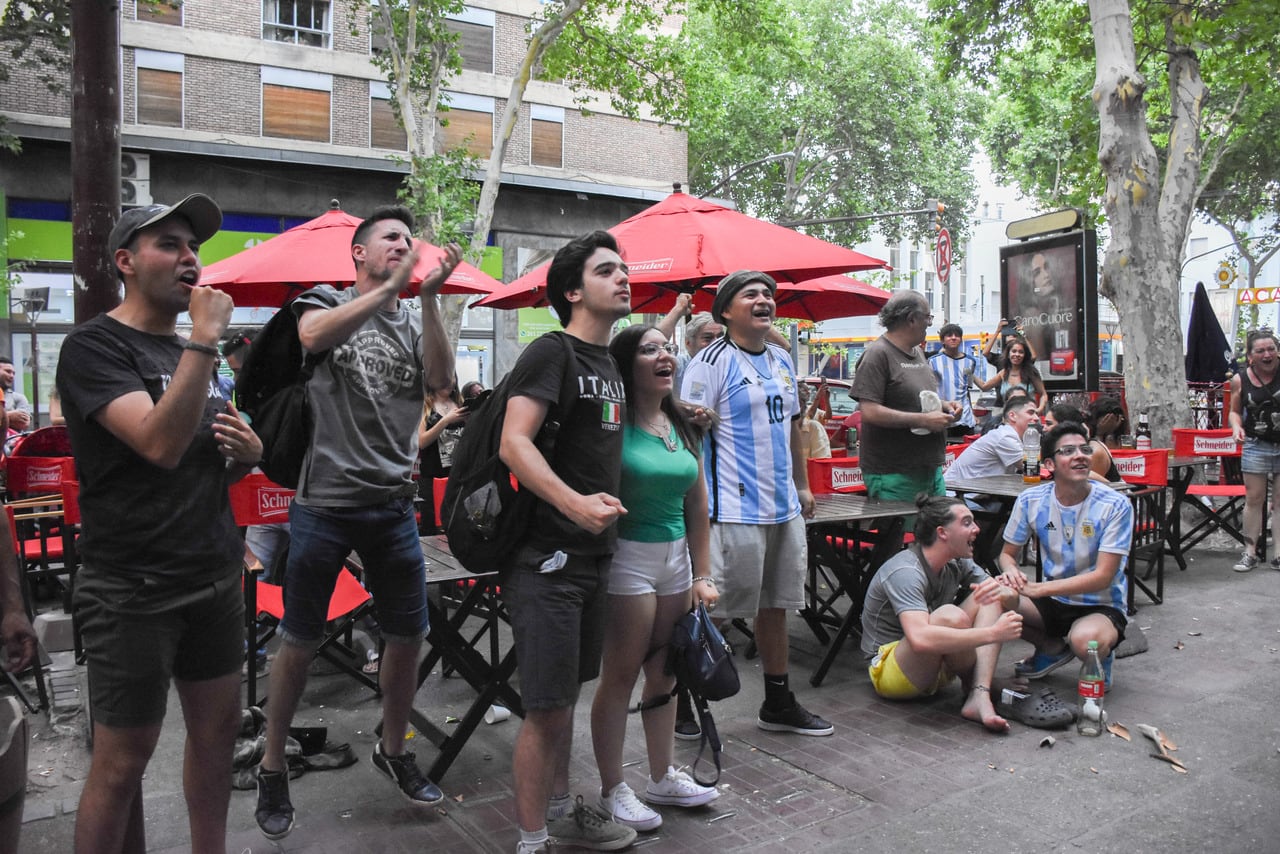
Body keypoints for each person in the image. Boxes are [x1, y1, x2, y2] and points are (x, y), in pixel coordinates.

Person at [56, 194, 264, 854]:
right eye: (169, 244)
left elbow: (206, 464)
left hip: (211, 575)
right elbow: (157, 445)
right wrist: (204, 340)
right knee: (121, 763)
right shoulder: (93, 348)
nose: (189, 258)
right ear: (126, 261)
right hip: (133, 589)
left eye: (193, 247)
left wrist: (248, 458)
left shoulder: (196, 358)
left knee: (217, 740)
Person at [253, 206, 462, 840]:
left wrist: (425, 301)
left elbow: (443, 385)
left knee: (408, 633)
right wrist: (386, 294)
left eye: (409, 239)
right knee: (299, 637)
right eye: (390, 239)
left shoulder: (408, 318)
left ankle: (393, 747)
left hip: (394, 506)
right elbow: (313, 338)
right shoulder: (322, 300)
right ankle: (270, 763)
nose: (403, 244)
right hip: (325, 506)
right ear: (359, 255)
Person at [499, 231, 635, 854]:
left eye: (624, 269)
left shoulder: (609, 364)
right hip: (545, 559)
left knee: (564, 700)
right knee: (547, 707)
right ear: (573, 290)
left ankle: (559, 811)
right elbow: (514, 442)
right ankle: (531, 841)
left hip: (593, 560)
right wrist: (575, 505)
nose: (623, 277)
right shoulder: (551, 352)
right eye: (608, 270)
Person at [681, 270, 830, 738]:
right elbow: (688, 433)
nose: (765, 300)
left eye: (769, 294)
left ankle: (778, 701)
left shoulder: (784, 360)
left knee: (776, 605)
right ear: (726, 311)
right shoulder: (708, 361)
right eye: (752, 295)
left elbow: (791, 427)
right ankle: (683, 697)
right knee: (712, 608)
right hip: (730, 507)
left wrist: (802, 485)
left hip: (783, 506)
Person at [589, 324, 720, 833]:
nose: (665, 355)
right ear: (627, 365)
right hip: (627, 559)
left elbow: (697, 502)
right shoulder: (610, 425)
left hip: (676, 562)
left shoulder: (681, 424)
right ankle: (611, 788)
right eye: (650, 350)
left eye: (667, 349)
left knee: (665, 673)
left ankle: (662, 775)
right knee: (620, 674)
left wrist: (702, 574)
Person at [861, 496, 1022, 732]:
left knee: (990, 596)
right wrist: (992, 633)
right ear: (942, 532)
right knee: (950, 616)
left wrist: (1006, 592)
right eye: (967, 523)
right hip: (892, 672)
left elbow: (1011, 599)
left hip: (936, 664)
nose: (977, 529)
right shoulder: (906, 570)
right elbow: (920, 638)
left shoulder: (957, 562)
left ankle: (978, 693)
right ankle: (975, 682)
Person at [997, 422, 1133, 691]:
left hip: (1101, 605)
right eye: (1068, 451)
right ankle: (1050, 647)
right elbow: (1006, 555)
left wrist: (1039, 588)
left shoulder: (1115, 504)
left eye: (1084, 449)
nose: (1080, 455)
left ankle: (1099, 655)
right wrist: (1011, 572)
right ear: (1049, 463)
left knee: (1086, 643)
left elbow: (1103, 577)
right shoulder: (1030, 500)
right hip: (1052, 602)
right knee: (994, 595)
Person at [851, 290, 957, 501]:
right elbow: (869, 411)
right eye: (927, 317)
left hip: (929, 468)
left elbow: (915, 397)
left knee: (936, 533)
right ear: (911, 319)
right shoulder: (877, 354)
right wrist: (923, 420)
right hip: (894, 472)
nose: (929, 323)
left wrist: (945, 406)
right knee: (903, 533)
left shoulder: (916, 351)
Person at [1227, 329, 1280, 572]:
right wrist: (1236, 427)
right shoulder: (1240, 379)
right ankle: (1249, 552)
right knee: (1254, 498)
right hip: (1256, 444)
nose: (1267, 354)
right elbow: (1234, 411)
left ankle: (1279, 554)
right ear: (1250, 356)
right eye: (1261, 351)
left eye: (1271, 349)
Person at [947, 393, 1040, 484]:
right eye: (1031, 413)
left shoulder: (1014, 436)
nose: (1036, 418)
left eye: (1036, 413)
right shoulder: (1005, 437)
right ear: (1012, 416)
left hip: (979, 493)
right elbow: (1032, 469)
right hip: (958, 494)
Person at [416, 381, 468, 531]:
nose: (448, 381)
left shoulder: (461, 403)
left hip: (459, 476)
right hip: (432, 477)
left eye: (451, 376)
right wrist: (445, 421)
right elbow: (422, 442)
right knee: (432, 526)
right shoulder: (425, 405)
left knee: (459, 524)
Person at [1044, 402, 1120, 484]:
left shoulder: (1093, 451)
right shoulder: (1055, 448)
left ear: (1065, 426)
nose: (1044, 428)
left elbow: (1085, 486)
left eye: (1048, 424)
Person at [929, 323, 979, 438]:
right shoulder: (933, 362)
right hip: (943, 417)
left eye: (957, 335)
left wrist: (973, 414)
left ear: (961, 339)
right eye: (949, 335)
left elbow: (968, 389)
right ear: (942, 340)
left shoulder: (971, 361)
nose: (953, 338)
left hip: (966, 419)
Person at [975, 336, 1046, 414]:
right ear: (1008, 354)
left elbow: (1043, 394)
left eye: (1021, 352)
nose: (1017, 354)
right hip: (1008, 419)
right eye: (1014, 351)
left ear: (1025, 355)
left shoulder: (1031, 372)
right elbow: (984, 387)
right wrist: (970, 374)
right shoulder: (1004, 373)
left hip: (1027, 419)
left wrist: (1040, 409)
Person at [797, 381, 832, 460]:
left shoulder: (814, 426)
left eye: (808, 390)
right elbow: (810, 415)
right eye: (805, 390)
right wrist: (818, 397)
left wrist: (827, 400)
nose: (808, 392)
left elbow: (828, 416)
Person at [0, 357, 32, 433]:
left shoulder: (18, 398)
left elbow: (23, 423)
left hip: (11, 443)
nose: (12, 376)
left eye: (13, 373)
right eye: (8, 371)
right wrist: (9, 416)